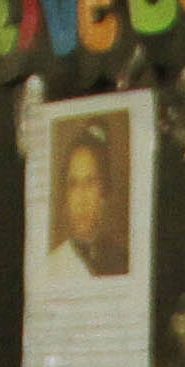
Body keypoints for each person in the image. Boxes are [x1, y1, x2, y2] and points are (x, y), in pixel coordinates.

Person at [51, 118, 129, 281]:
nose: (81, 198)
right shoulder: (53, 267)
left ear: (104, 192)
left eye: (90, 182)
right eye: (73, 184)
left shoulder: (123, 261)